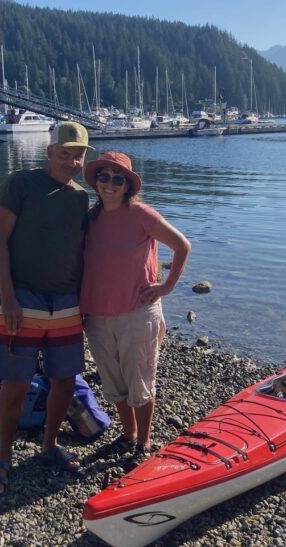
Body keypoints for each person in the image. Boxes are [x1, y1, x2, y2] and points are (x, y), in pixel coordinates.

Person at [0, 121, 93, 497]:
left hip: (66, 302)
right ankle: (3, 457)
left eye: (78, 155)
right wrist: (7, 296)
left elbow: (81, 253)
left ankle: (48, 446)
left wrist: (87, 302)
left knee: (64, 380)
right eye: (65, 154)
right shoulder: (20, 184)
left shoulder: (80, 198)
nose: (72, 161)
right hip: (23, 299)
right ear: (50, 153)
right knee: (14, 384)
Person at [80, 151, 191, 469]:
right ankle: (127, 434)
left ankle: (144, 442)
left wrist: (166, 287)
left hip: (138, 313)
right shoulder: (91, 218)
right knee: (113, 383)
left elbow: (182, 245)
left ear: (128, 185)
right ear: (96, 181)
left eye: (118, 179)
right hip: (98, 315)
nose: (110, 184)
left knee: (140, 382)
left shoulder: (142, 214)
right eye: (105, 177)